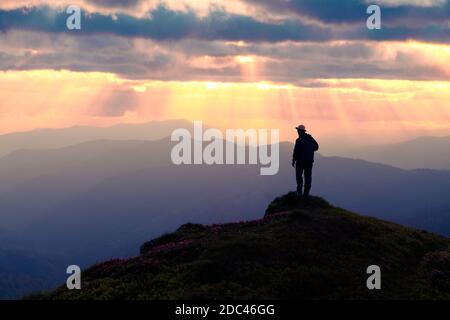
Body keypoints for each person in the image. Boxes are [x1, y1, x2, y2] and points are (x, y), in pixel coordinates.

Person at [292, 125, 319, 197]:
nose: (297, 131)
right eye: (297, 130)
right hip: (309, 161)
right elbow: (316, 146)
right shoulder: (310, 138)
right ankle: (305, 193)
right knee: (307, 177)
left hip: (300, 162)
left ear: (301, 131)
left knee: (299, 177)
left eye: (298, 130)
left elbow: (296, 151)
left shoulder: (298, 140)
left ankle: (299, 192)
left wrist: (293, 160)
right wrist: (310, 151)